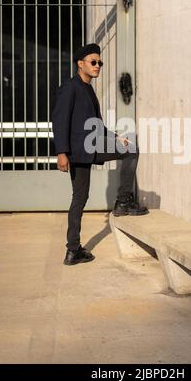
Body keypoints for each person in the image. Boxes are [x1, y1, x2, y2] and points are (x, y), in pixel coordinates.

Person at [51, 43, 148, 266]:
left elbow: (96, 123)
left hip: (90, 147)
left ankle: (74, 249)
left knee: (129, 149)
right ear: (80, 64)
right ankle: (75, 248)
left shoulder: (88, 88)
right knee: (80, 197)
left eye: (100, 63)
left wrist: (115, 137)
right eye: (93, 62)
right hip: (79, 151)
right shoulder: (70, 87)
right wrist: (61, 152)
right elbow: (59, 120)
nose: (97, 66)